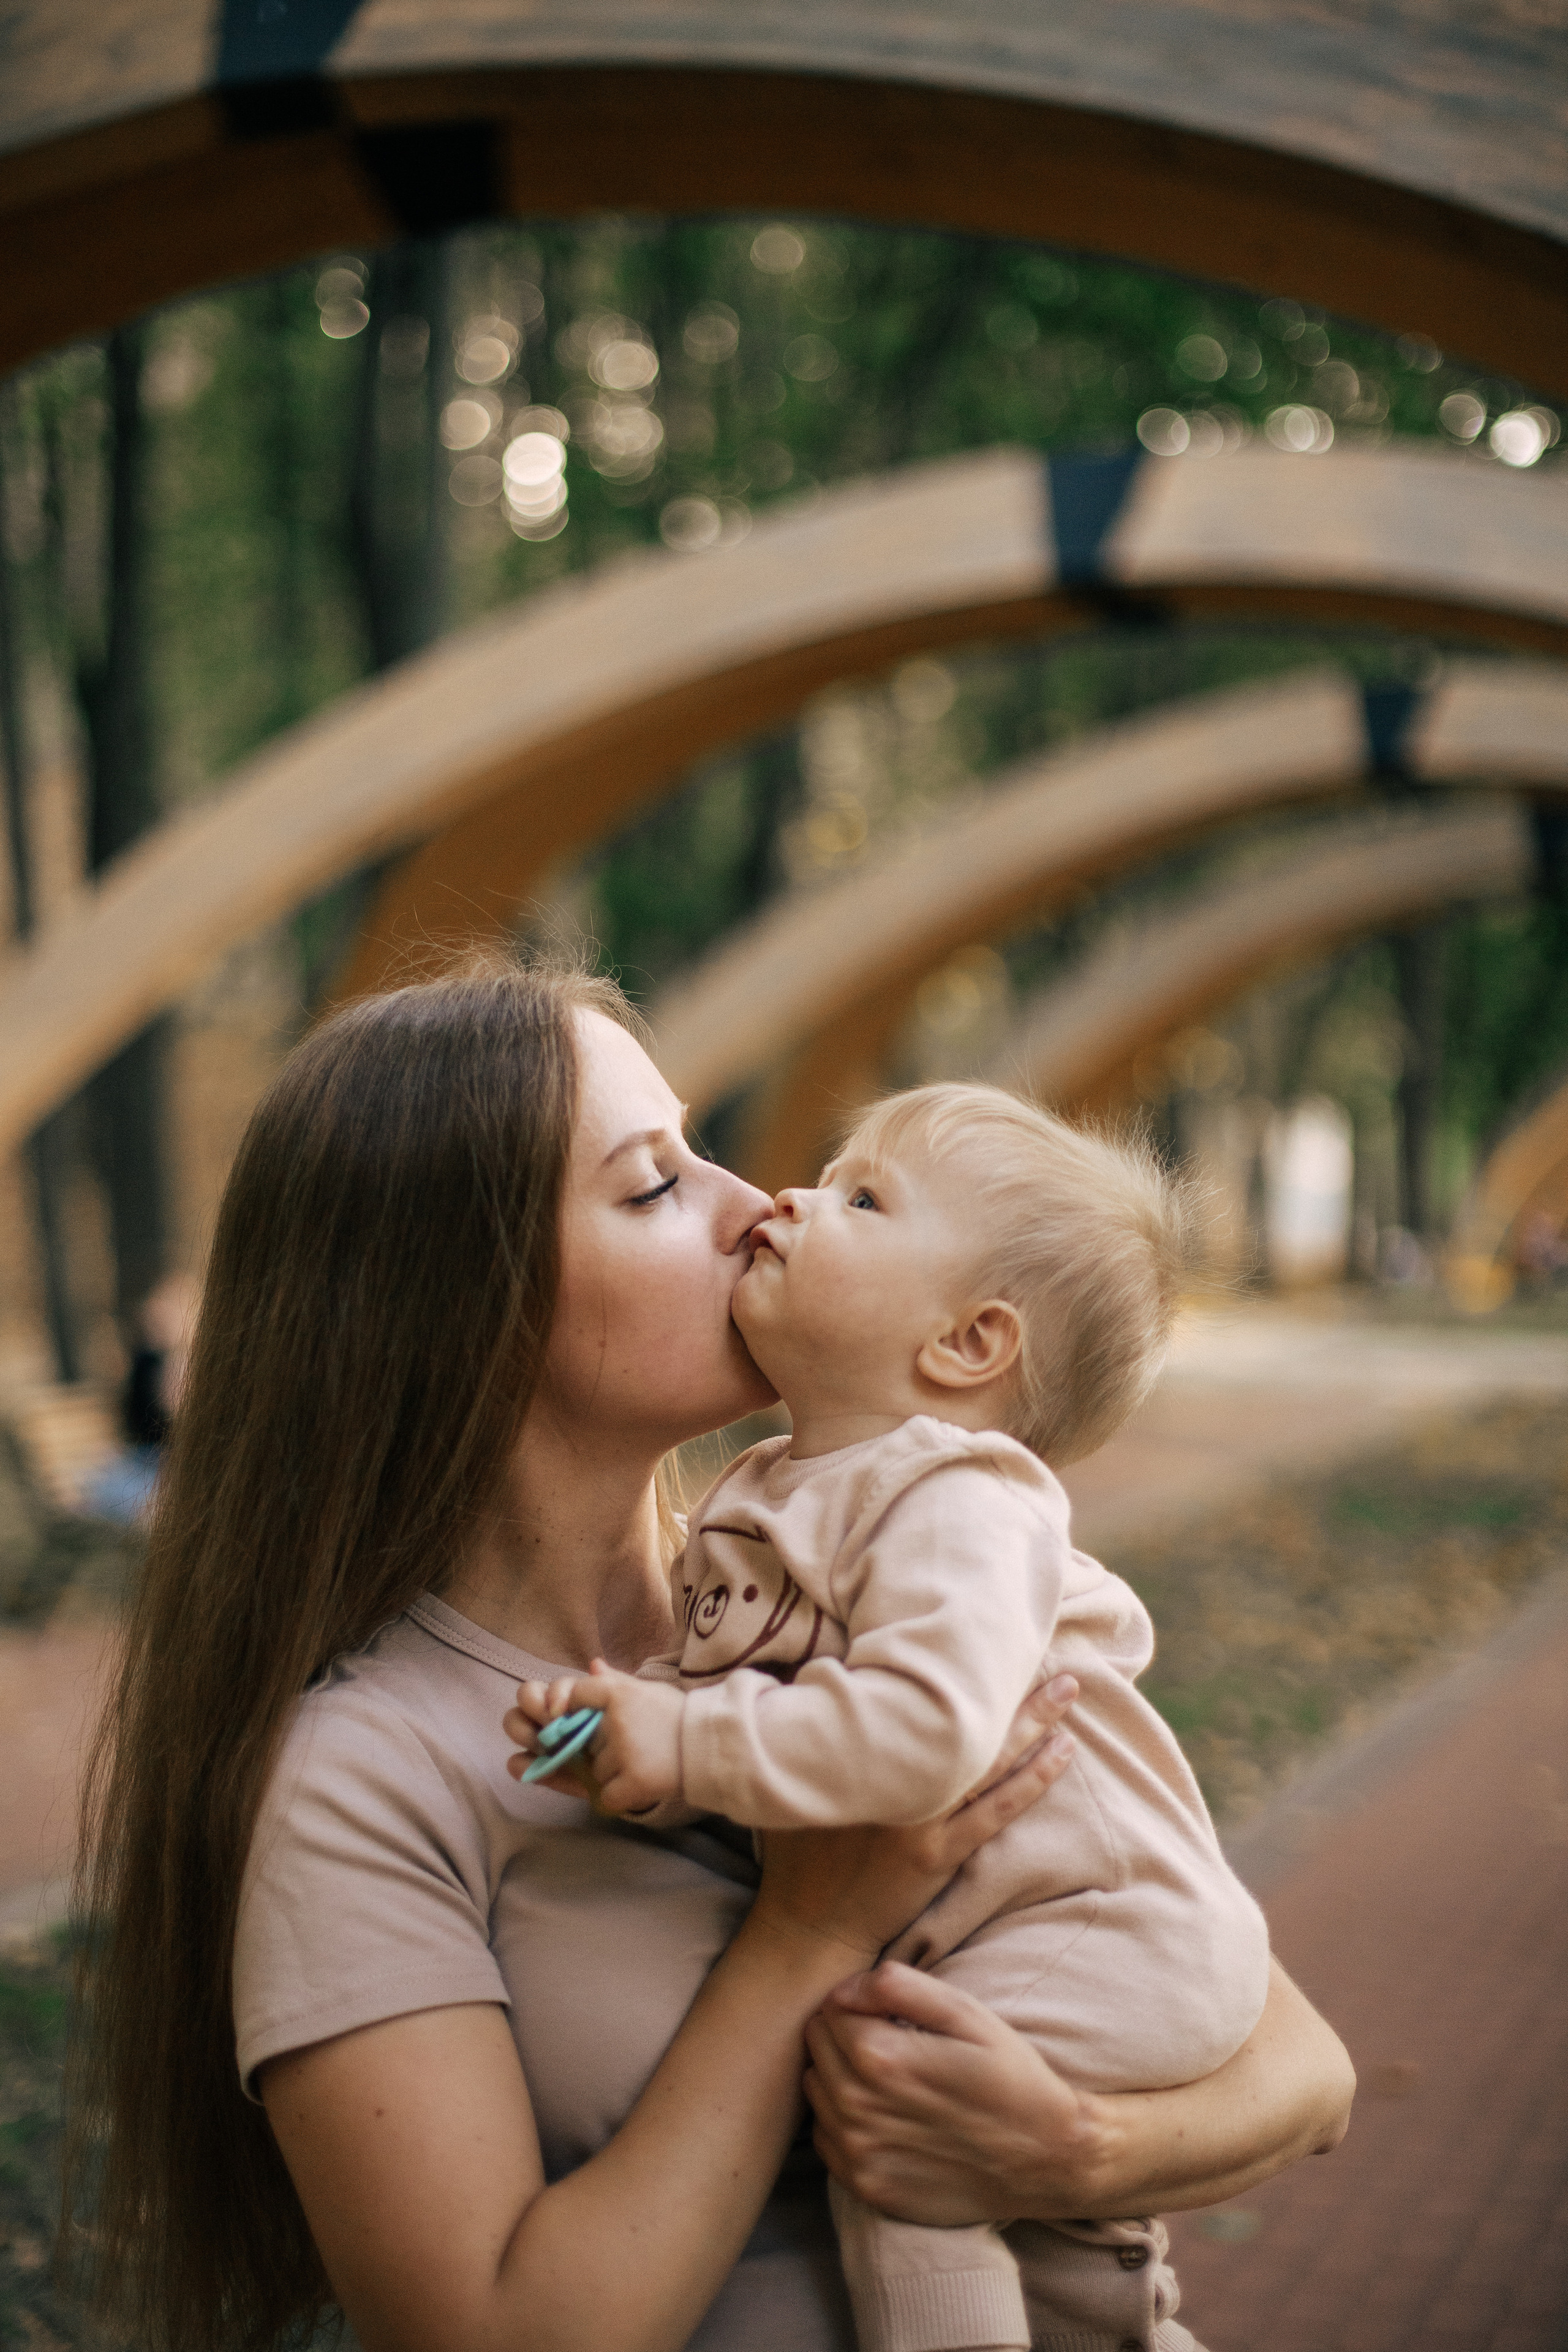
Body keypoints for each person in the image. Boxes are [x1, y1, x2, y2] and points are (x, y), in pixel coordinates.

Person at [67, 957, 1354, 2352]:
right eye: (652, 1186)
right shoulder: (366, 1772)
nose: (755, 1207)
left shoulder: (829, 1593)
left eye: (701, 1149)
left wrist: (1072, 2155)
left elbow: (1297, 2060)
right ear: (464, 1305)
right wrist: (808, 1931)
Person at [513, 1085, 1272, 2352]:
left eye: (862, 1198)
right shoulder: (774, 1491)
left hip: (1109, 1925)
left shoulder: (959, 1501)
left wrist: (687, 1737)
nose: (788, 1199)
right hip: (1019, 1927)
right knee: (1001, 2204)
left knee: (897, 2129)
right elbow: (777, 1719)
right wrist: (634, 1753)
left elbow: (917, 1738)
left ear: (967, 1345)